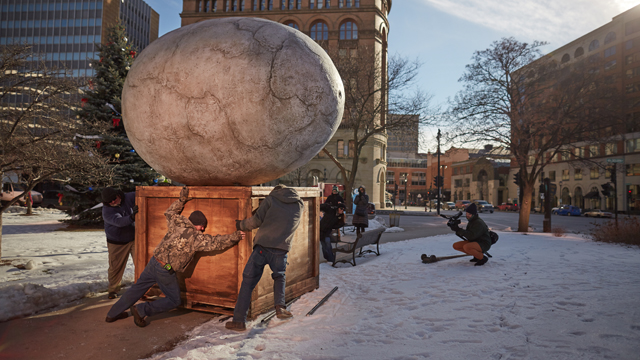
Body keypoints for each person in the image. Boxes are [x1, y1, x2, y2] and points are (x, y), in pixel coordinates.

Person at [105, 186, 244, 327]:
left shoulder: (176, 223)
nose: (203, 229)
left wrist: (182, 199)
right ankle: (141, 310)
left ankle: (112, 314)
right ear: (199, 225)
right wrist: (235, 236)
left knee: (137, 289)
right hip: (165, 269)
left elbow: (170, 212)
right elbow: (216, 243)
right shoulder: (196, 238)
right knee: (174, 300)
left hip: (154, 262)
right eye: (203, 226)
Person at [225, 184, 304, 332]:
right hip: (281, 249)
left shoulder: (272, 199)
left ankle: (238, 321)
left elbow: (256, 221)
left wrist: (240, 224)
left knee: (248, 283)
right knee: (279, 277)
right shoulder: (299, 203)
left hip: (263, 247)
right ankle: (280, 307)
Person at [101, 187, 138, 299]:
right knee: (115, 268)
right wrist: (132, 217)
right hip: (116, 242)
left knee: (142, 263)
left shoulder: (128, 197)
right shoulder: (107, 210)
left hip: (134, 238)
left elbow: (142, 192)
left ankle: (143, 287)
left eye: (113, 199)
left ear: (118, 195)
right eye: (109, 201)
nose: (112, 202)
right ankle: (113, 290)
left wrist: (158, 187)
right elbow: (119, 221)